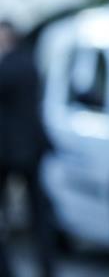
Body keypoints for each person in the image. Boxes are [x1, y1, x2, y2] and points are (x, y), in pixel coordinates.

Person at [0, 20, 55, 277]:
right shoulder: (29, 63)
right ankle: (46, 265)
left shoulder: (9, 67)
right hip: (31, 148)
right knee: (38, 213)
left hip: (8, 151)